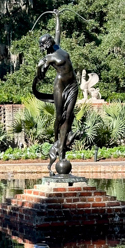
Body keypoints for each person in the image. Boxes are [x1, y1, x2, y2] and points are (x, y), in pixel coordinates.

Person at [32, 34, 78, 175]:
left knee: (68, 116)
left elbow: (58, 31)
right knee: (59, 116)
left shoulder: (58, 46)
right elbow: (40, 74)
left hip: (72, 85)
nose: (50, 42)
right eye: (46, 42)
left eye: (49, 40)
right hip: (60, 85)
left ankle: (62, 146)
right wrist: (39, 69)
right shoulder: (47, 58)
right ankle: (57, 141)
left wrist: (57, 16)